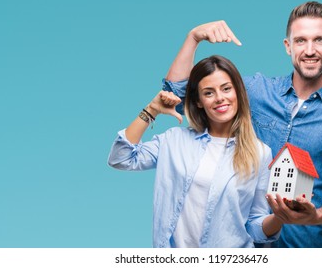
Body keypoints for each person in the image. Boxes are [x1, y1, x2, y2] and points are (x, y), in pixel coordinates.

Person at [162, 1, 322, 247]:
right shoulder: (256, 92)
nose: (310, 50)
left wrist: (317, 216)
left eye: (319, 40)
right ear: (288, 46)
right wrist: (193, 38)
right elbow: (177, 98)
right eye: (301, 40)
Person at [108, 55, 283, 247]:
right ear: (199, 101)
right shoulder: (174, 140)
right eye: (209, 93)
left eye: (226, 89)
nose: (220, 98)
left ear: (238, 92)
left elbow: (255, 226)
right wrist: (151, 110)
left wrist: (280, 218)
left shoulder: (260, 153)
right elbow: (121, 158)